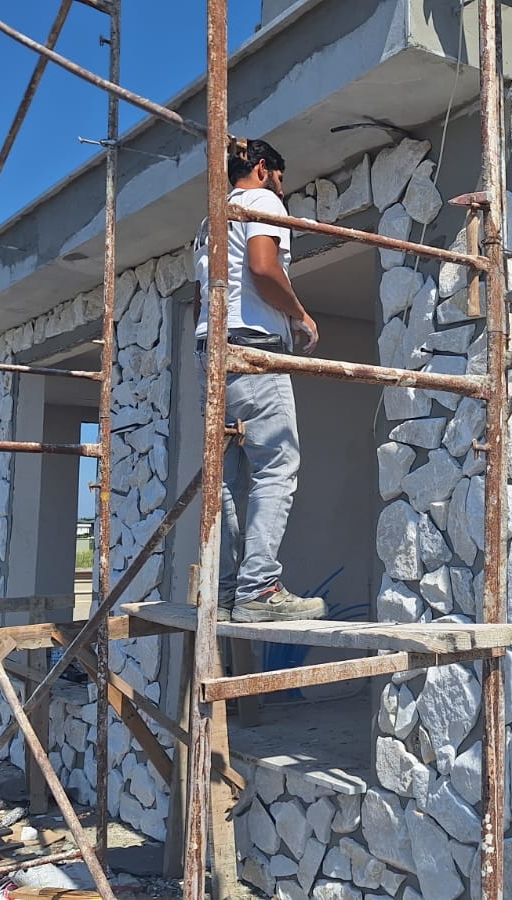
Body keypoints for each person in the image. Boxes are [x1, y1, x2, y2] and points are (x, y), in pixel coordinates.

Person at [191, 137, 326, 623]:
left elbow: (202, 296)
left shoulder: (209, 221)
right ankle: (259, 587)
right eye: (280, 179)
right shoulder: (262, 202)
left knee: (226, 477)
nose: (282, 191)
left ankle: (228, 590)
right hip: (252, 347)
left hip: (211, 349)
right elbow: (263, 268)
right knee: (276, 465)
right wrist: (299, 315)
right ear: (263, 168)